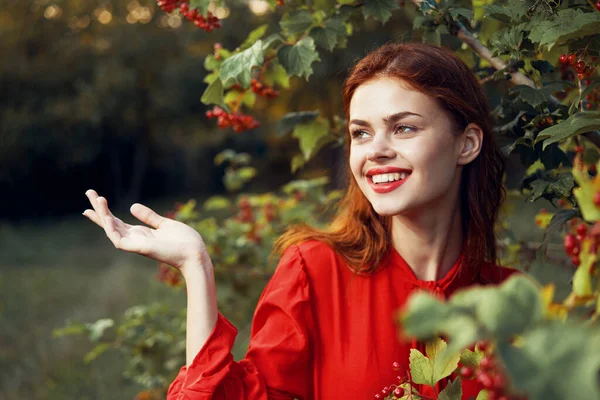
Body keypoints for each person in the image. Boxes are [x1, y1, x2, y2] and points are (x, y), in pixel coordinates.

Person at [83, 42, 519, 399]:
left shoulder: (511, 301)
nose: (375, 150)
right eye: (361, 133)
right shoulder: (315, 272)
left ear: (467, 144)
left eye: (404, 128)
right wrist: (196, 266)